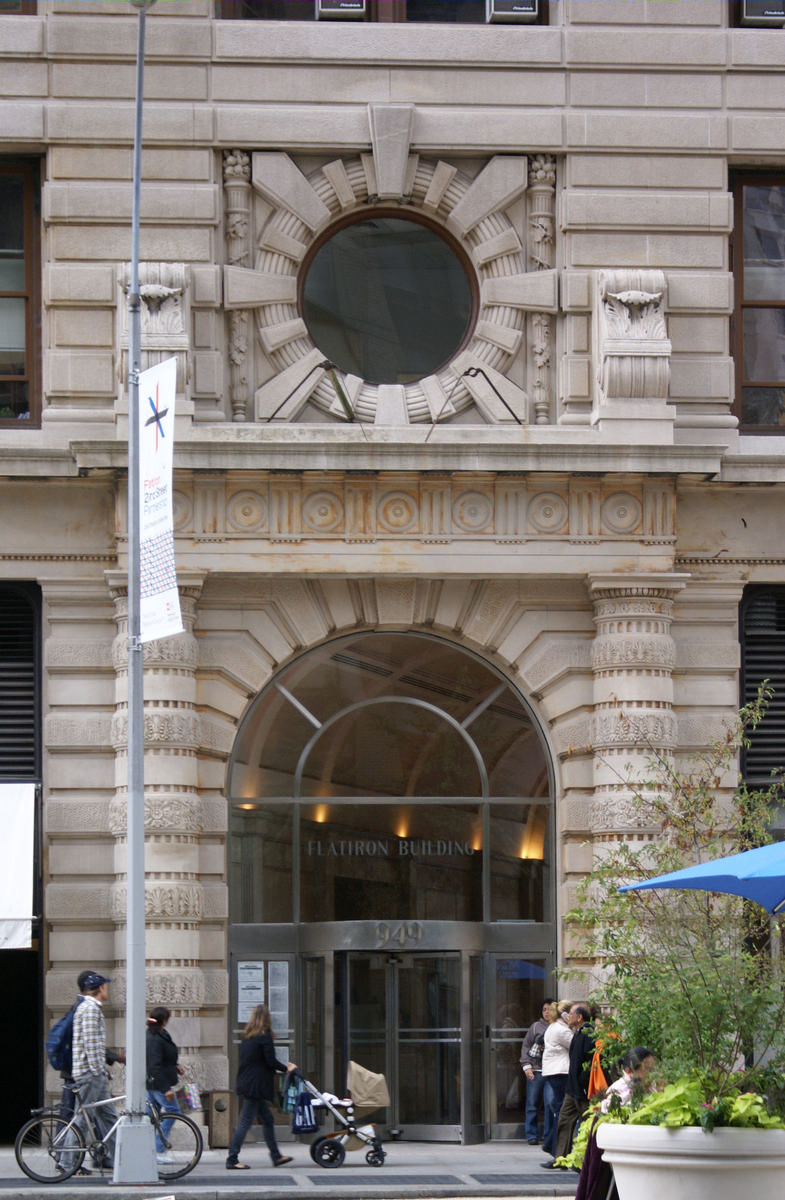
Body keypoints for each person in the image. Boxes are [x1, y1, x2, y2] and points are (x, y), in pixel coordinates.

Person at [575, 1048, 655, 1200]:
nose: (653, 1074)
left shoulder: (644, 1088)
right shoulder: (621, 1092)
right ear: (629, 1071)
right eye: (648, 1069)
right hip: (608, 1156)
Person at [225, 1004, 297, 1170]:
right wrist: (287, 1068)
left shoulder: (248, 1037)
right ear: (267, 1019)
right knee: (245, 1122)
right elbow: (270, 1060)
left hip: (246, 1082)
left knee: (268, 1119)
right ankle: (232, 1158)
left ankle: (276, 1156)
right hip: (255, 1086)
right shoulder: (264, 1037)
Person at [70, 972, 118, 1170]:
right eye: (106, 986)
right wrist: (99, 1070)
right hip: (90, 1075)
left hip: (95, 1073)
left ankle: (120, 1160)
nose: (108, 989)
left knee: (109, 1117)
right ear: (100, 988)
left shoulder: (91, 1008)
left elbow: (95, 1046)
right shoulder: (90, 1009)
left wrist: (103, 1070)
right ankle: (67, 1163)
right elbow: (90, 1044)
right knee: (82, 1118)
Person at [546, 1002, 595, 1167]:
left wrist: (582, 1081)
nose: (568, 1017)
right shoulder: (578, 1032)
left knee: (588, 1124)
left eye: (571, 1014)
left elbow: (592, 1062)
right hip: (572, 1088)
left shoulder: (588, 1033)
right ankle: (561, 1158)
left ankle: (584, 1160)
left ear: (579, 1017)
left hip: (581, 1089)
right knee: (564, 1119)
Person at [146, 1006, 186, 1165]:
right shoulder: (155, 1038)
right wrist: (166, 1089)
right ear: (164, 1020)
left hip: (154, 1083)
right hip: (158, 1084)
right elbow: (154, 1065)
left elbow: (164, 1057)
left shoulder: (158, 1034)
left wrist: (174, 1065)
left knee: (150, 1117)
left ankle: (150, 1149)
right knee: (173, 1110)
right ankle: (158, 1149)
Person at [539, 1000, 574, 1163]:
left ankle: (551, 1143)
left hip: (554, 1072)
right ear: (565, 1014)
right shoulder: (562, 1030)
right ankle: (554, 1145)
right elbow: (575, 1044)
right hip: (561, 1071)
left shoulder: (554, 1027)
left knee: (561, 1111)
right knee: (563, 1112)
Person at [520, 998, 552, 1145]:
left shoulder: (560, 1026)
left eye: (550, 1009)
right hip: (536, 1070)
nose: (547, 1012)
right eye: (544, 1009)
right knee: (532, 1104)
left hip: (552, 1071)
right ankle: (531, 1135)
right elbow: (526, 1046)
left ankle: (548, 1135)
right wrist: (527, 1066)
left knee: (550, 1103)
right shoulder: (535, 1027)